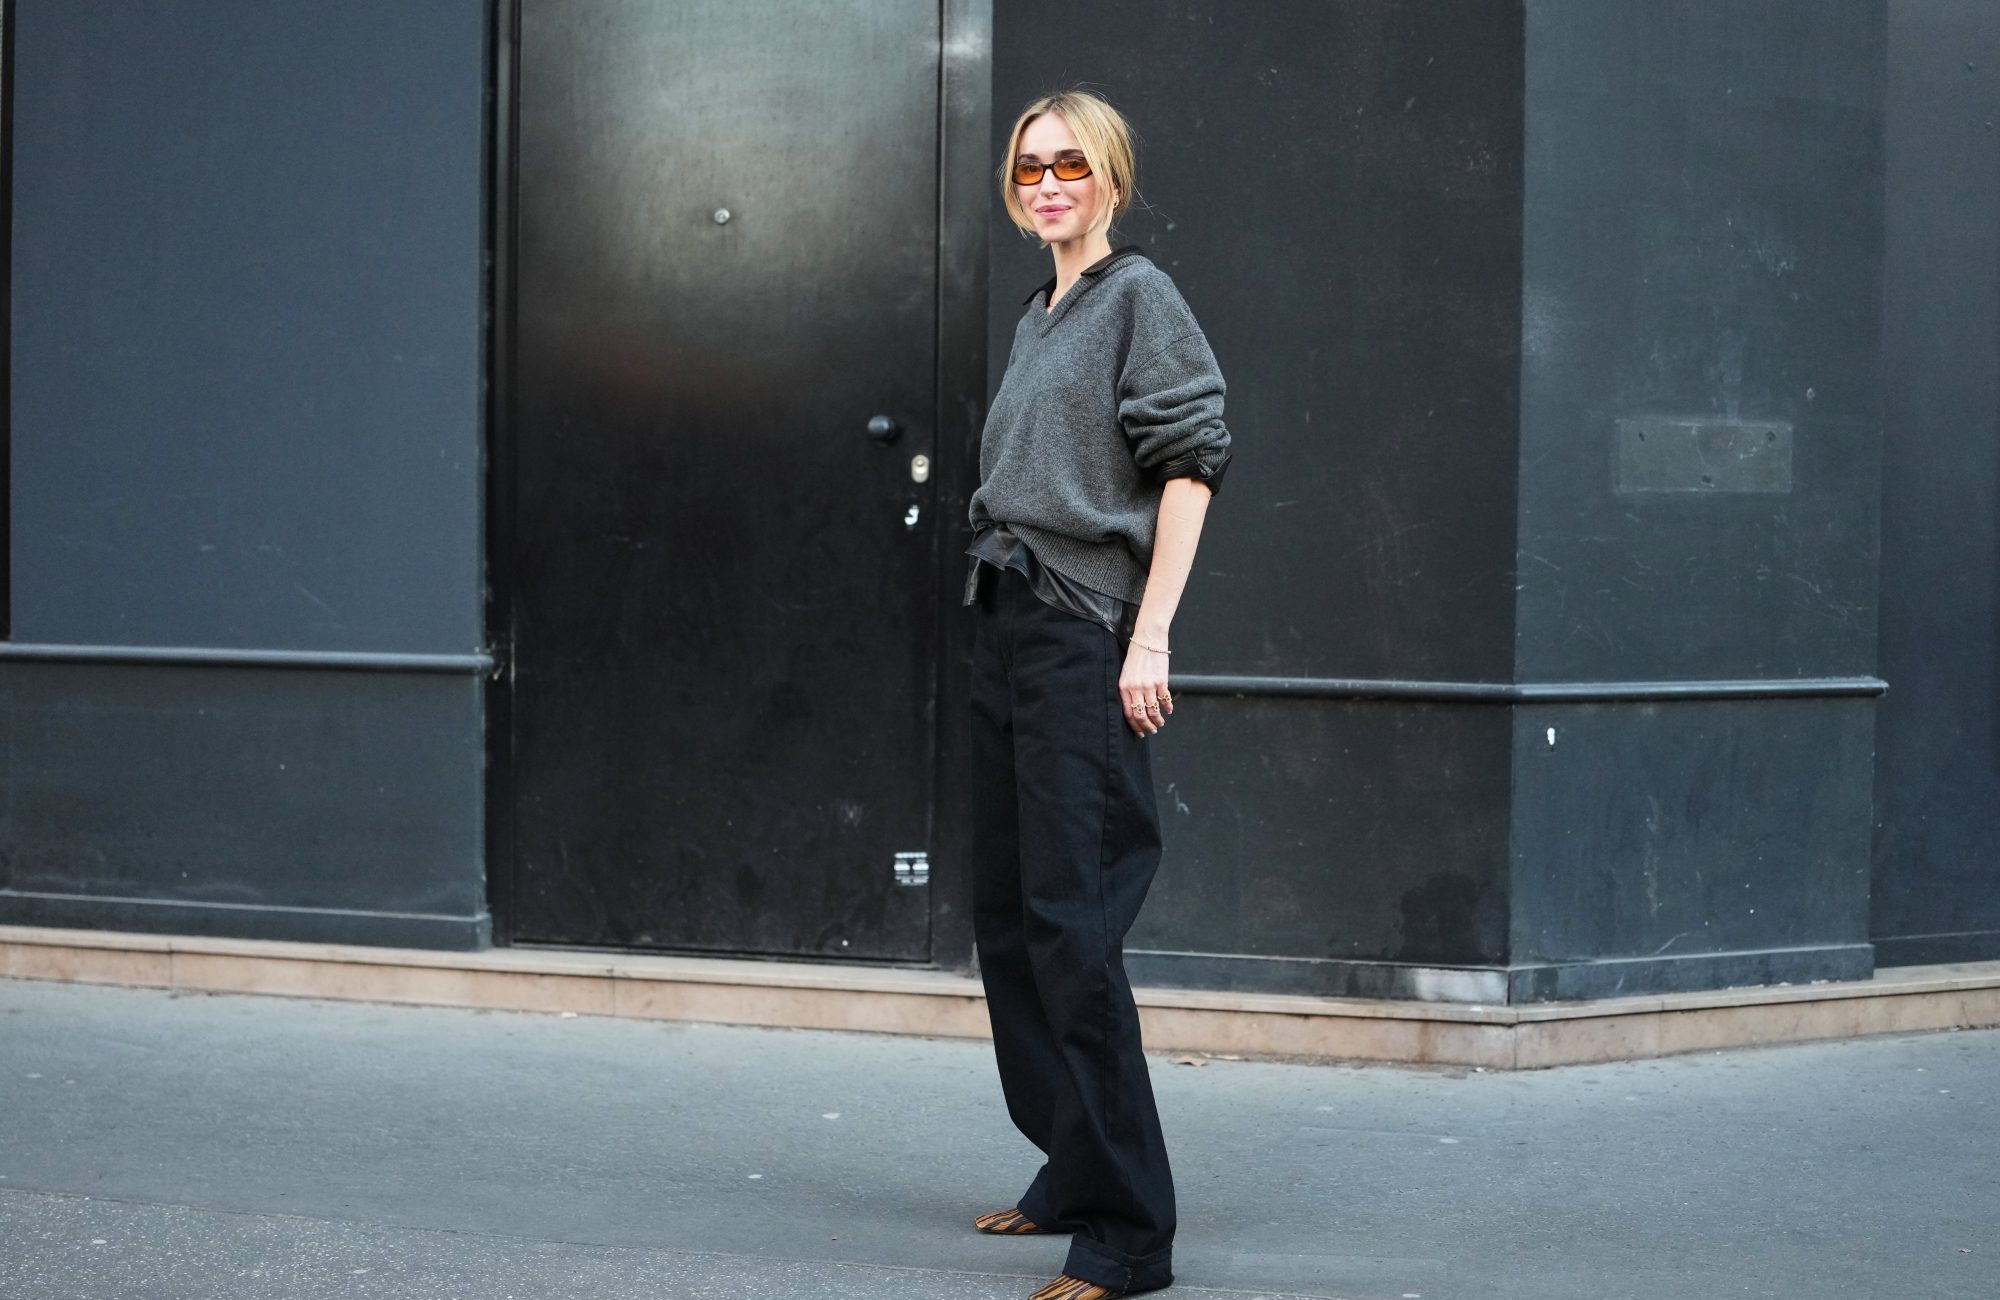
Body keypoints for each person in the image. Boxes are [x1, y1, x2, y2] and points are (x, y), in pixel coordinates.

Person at [963, 88, 1232, 1300]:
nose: (1048, 183)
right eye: (1029, 169)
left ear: (1111, 177)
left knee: (1072, 929)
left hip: (1083, 629)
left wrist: (1150, 638)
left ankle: (1129, 1232)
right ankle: (1069, 1165)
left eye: (1070, 164)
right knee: (1011, 919)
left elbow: (1187, 469)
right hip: (1003, 619)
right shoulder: (1040, 313)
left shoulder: (1137, 298)